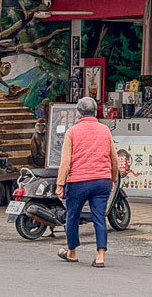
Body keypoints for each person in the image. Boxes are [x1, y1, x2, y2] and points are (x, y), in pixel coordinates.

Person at [55, 96, 119, 268]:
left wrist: (60, 184)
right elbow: (114, 159)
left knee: (72, 216)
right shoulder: (105, 130)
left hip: (78, 182)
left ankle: (72, 252)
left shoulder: (72, 132)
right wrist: (112, 179)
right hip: (101, 181)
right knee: (99, 217)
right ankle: (101, 256)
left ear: (79, 113)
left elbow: (66, 162)